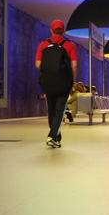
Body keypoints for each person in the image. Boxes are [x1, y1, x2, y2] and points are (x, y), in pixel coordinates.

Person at [36, 19, 78, 148]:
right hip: (63, 83)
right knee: (60, 110)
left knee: (52, 110)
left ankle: (56, 137)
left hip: (47, 83)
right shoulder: (70, 45)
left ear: (51, 30)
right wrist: (72, 81)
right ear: (63, 31)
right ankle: (52, 136)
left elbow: (37, 64)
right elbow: (74, 65)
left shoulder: (43, 45)